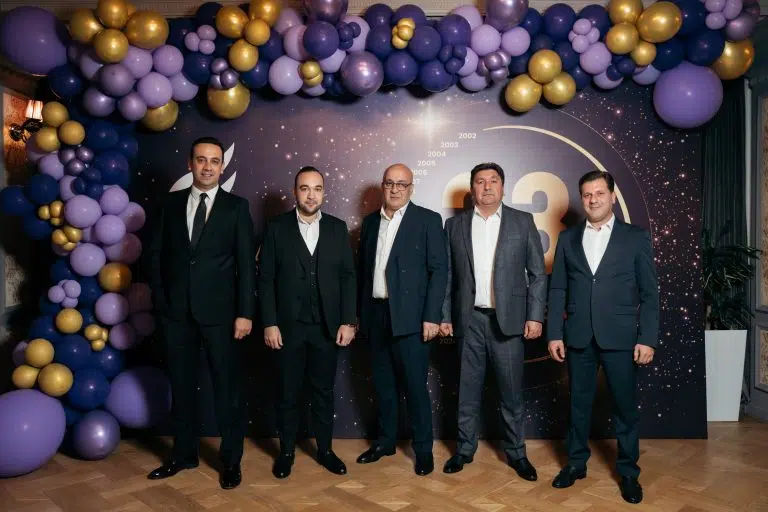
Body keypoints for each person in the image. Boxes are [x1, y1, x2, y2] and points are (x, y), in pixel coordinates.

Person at [147, 136, 255, 490]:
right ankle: (183, 454)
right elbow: (156, 256)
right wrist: (162, 303)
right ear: (190, 163)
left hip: (222, 316)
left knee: (227, 390)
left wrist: (245, 313)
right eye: (201, 160)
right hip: (177, 314)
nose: (208, 167)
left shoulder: (237, 207)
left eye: (214, 161)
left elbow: (245, 265)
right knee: (181, 388)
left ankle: (231, 461)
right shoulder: (169, 204)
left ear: (222, 167)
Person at [547, 170, 659, 505]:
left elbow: (649, 294)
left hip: (621, 337)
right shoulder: (568, 238)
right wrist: (554, 333)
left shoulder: (635, 237)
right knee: (577, 405)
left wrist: (647, 338)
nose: (593, 200)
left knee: (624, 408)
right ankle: (575, 464)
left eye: (599, 193)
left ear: (612, 196)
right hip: (578, 336)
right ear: (582, 199)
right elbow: (558, 289)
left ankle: (628, 473)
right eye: (587, 194)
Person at [439, 163, 546, 480]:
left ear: (502, 186)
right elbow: (447, 277)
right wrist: (445, 316)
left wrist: (535, 315)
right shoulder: (454, 226)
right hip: (468, 320)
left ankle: (517, 454)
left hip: (508, 323)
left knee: (511, 394)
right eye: (480, 181)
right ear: (472, 188)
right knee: (467, 391)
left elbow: (537, 275)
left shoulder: (522, 221)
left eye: (493, 180)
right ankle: (464, 450)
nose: (487, 186)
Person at [259, 166, 357, 479]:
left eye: (317, 188)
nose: (311, 195)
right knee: (287, 393)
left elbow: (348, 277)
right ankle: (286, 452)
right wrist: (269, 322)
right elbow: (265, 279)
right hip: (287, 328)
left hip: (327, 328)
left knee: (323, 392)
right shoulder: (276, 227)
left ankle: (325, 451)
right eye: (304, 188)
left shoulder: (337, 228)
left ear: (324, 192)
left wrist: (348, 321)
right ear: (295, 192)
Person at [357, 163, 448, 476]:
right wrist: (359, 316)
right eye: (389, 183)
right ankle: (385, 442)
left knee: (415, 388)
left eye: (401, 184)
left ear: (411, 188)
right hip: (376, 315)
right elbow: (362, 272)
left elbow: (439, 271)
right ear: (383, 186)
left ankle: (423, 450)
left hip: (412, 319)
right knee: (383, 386)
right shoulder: (370, 222)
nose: (395, 189)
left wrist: (432, 316)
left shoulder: (428, 220)